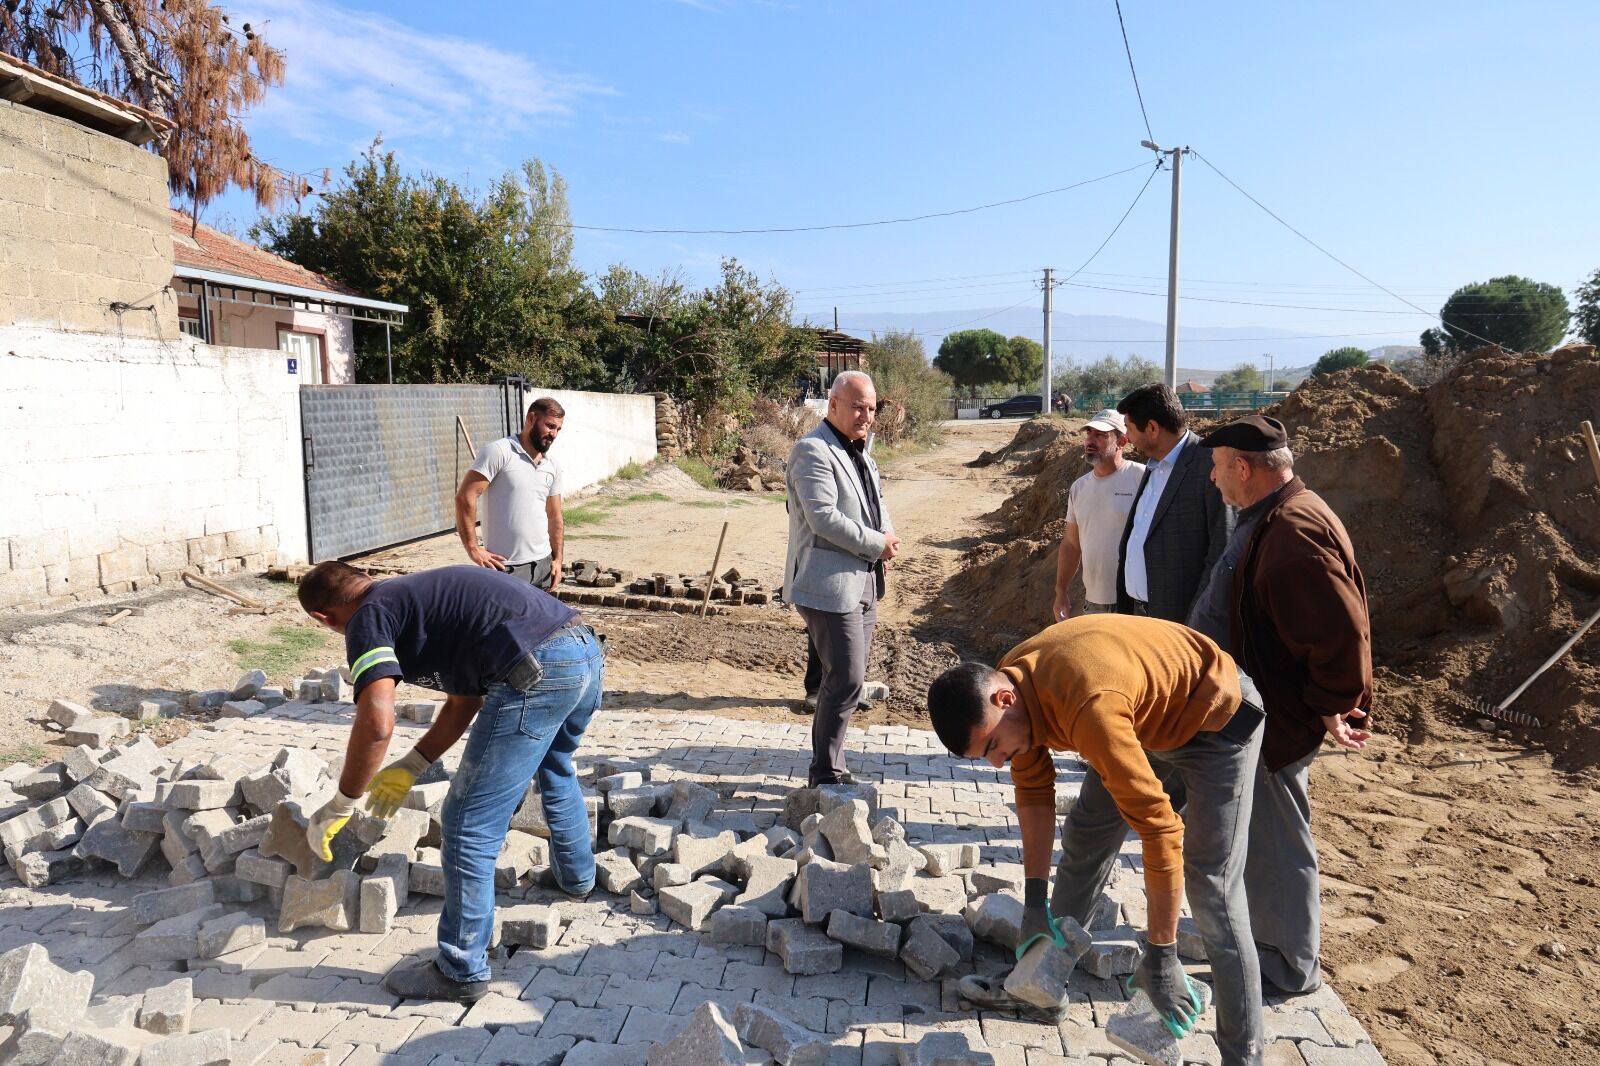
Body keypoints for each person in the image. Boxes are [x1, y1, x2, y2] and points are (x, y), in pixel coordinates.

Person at [927, 616, 1264, 1064]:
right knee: (1087, 833)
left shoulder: (1088, 705)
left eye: (992, 747)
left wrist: (1161, 955)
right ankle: (1039, 989)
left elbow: (1160, 830)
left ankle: (1244, 1056)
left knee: (1212, 885)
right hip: (1144, 721)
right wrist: (1033, 905)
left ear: (1003, 698)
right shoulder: (1016, 689)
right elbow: (1033, 792)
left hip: (1216, 720)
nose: (995, 763)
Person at [297, 560, 604, 1003]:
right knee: (555, 764)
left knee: (465, 824)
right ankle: (576, 879)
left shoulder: (368, 616)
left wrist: (343, 801)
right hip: (583, 651)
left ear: (323, 618)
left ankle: (459, 970)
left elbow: (377, 722)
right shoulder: (417, 600)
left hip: (537, 666)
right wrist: (413, 764)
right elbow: (464, 700)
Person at [1194, 415, 1372, 995]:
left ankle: (1290, 966)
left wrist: (1332, 704)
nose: (1216, 482)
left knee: (1277, 841)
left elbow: (1339, 631)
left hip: (1276, 719)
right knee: (1256, 836)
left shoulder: (1293, 530)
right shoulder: (1273, 516)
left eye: (1219, 470)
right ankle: (1257, 941)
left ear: (1243, 468)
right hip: (1253, 711)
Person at [783, 370, 899, 785]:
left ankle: (833, 764)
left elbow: (875, 503)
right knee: (846, 679)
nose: (866, 415)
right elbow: (823, 519)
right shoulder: (812, 450)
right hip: (826, 582)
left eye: (870, 408)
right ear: (832, 405)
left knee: (847, 680)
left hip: (864, 581)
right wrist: (875, 543)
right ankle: (826, 773)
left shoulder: (863, 452)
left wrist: (886, 535)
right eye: (857, 407)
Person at [1114, 383, 1231, 621]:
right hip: (1139, 613)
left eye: (1128, 428)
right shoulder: (1155, 464)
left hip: (1179, 622)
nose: (1127, 437)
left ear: (1152, 428)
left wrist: (1197, 620)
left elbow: (1222, 551)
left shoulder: (1211, 465)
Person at [454, 397, 567, 590]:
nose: (554, 434)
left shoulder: (552, 465)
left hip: (543, 566)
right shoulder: (499, 452)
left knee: (541, 621)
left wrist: (558, 559)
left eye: (558, 429)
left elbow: (554, 515)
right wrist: (473, 549)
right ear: (531, 418)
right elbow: (465, 497)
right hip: (507, 568)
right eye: (550, 426)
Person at [1051, 409, 1145, 621]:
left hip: (1136, 602)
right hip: (1094, 603)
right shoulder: (1079, 488)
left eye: (1101, 435)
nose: (1090, 441)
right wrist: (1061, 593)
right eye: (1089, 434)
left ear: (1122, 441)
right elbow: (1071, 545)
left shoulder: (1142, 479)